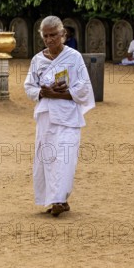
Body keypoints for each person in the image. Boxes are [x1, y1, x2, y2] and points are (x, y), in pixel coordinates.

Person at [24, 16, 95, 217]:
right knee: (48, 157)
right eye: (45, 36)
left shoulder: (74, 57)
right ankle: (55, 199)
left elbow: (84, 88)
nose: (50, 39)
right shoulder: (37, 60)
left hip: (68, 116)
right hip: (46, 116)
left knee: (65, 158)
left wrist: (59, 94)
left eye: (53, 35)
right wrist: (42, 91)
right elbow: (29, 86)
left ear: (62, 34)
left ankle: (59, 199)